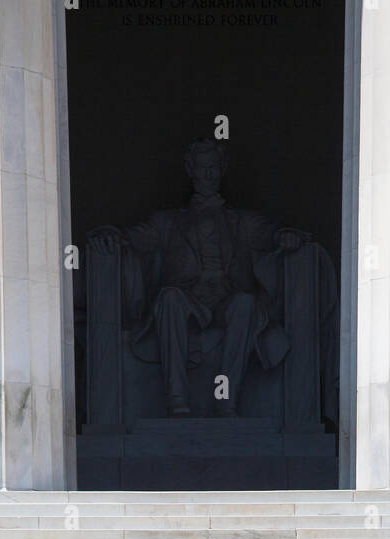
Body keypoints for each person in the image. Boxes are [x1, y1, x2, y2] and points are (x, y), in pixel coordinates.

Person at [87, 138, 310, 417]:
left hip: (228, 301)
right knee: (169, 298)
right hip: (187, 302)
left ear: (222, 168)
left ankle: (227, 400)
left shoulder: (242, 221)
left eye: (213, 167)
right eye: (202, 167)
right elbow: (130, 238)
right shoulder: (166, 222)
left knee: (246, 303)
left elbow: (272, 233)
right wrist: (109, 233)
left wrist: (285, 236)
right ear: (190, 168)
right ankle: (176, 399)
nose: (207, 175)